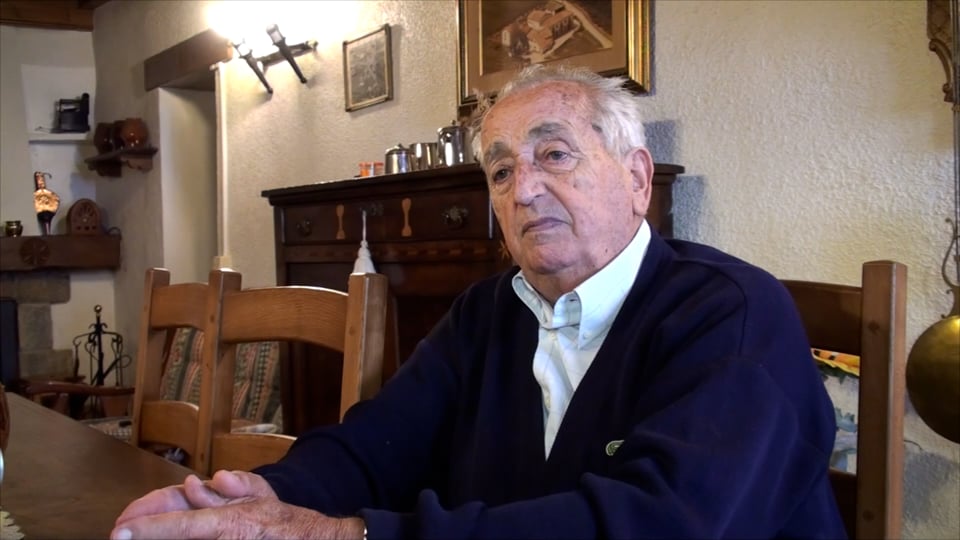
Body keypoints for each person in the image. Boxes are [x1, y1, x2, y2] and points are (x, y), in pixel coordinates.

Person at [111, 65, 846, 539]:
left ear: (636, 179)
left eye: (554, 154)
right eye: (499, 171)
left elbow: (659, 524)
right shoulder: (487, 312)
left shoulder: (731, 314)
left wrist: (340, 534)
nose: (523, 190)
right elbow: (376, 446)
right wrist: (254, 497)